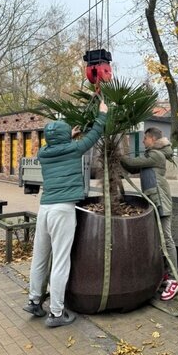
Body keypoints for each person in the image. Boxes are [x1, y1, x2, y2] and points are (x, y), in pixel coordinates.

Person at [23, 100, 108, 327]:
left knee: (40, 257)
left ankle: (33, 301)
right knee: (61, 260)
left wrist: (68, 135)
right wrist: (102, 114)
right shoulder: (74, 148)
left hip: (45, 209)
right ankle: (57, 313)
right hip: (63, 210)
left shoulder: (43, 153)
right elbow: (94, 135)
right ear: (65, 138)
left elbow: (59, 144)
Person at [120, 127, 178, 301]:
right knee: (160, 240)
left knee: (166, 239)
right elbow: (131, 169)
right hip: (155, 201)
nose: (144, 141)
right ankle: (166, 275)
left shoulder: (156, 156)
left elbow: (131, 164)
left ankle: (175, 280)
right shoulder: (152, 155)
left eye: (145, 138)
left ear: (153, 139)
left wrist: (119, 154)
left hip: (161, 201)